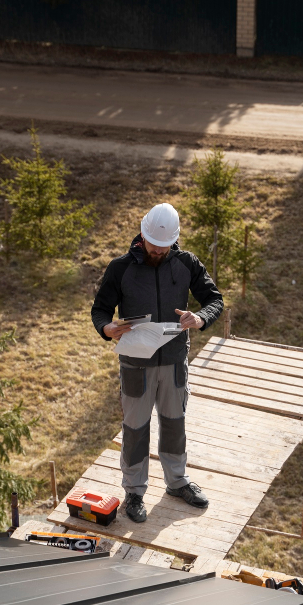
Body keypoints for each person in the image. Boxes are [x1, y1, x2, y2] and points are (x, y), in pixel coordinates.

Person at [91, 203, 223, 523]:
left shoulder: (186, 263)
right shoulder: (120, 268)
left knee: (174, 424)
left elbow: (214, 300)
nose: (157, 251)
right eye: (153, 245)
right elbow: (100, 310)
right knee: (136, 429)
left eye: (164, 247)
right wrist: (107, 328)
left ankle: (177, 482)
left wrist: (200, 317)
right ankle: (134, 491)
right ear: (143, 235)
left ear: (173, 242)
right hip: (136, 364)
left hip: (174, 360)